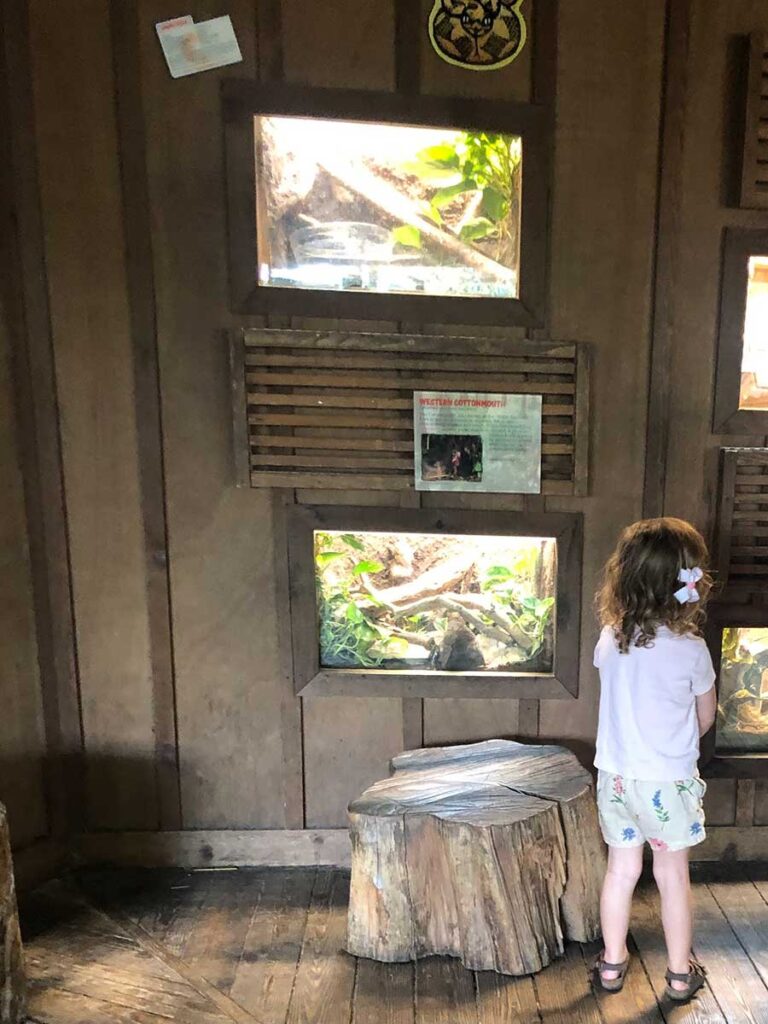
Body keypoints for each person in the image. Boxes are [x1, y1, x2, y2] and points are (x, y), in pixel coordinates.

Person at [591, 518, 717, 1003]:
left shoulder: (611, 637)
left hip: (618, 778)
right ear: (688, 581)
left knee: (621, 872)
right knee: (671, 876)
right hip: (668, 781)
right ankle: (681, 974)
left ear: (623, 577)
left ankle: (611, 964)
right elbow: (705, 718)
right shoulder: (690, 649)